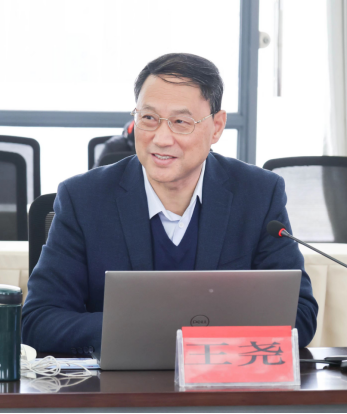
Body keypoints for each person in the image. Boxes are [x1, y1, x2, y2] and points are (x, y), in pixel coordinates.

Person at [22, 53, 318, 355]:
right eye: (149, 118)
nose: (161, 138)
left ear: (217, 126)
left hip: (224, 380)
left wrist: (194, 337)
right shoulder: (84, 198)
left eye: (180, 122)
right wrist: (146, 330)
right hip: (120, 382)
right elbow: (39, 321)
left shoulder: (258, 194)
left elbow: (300, 315)